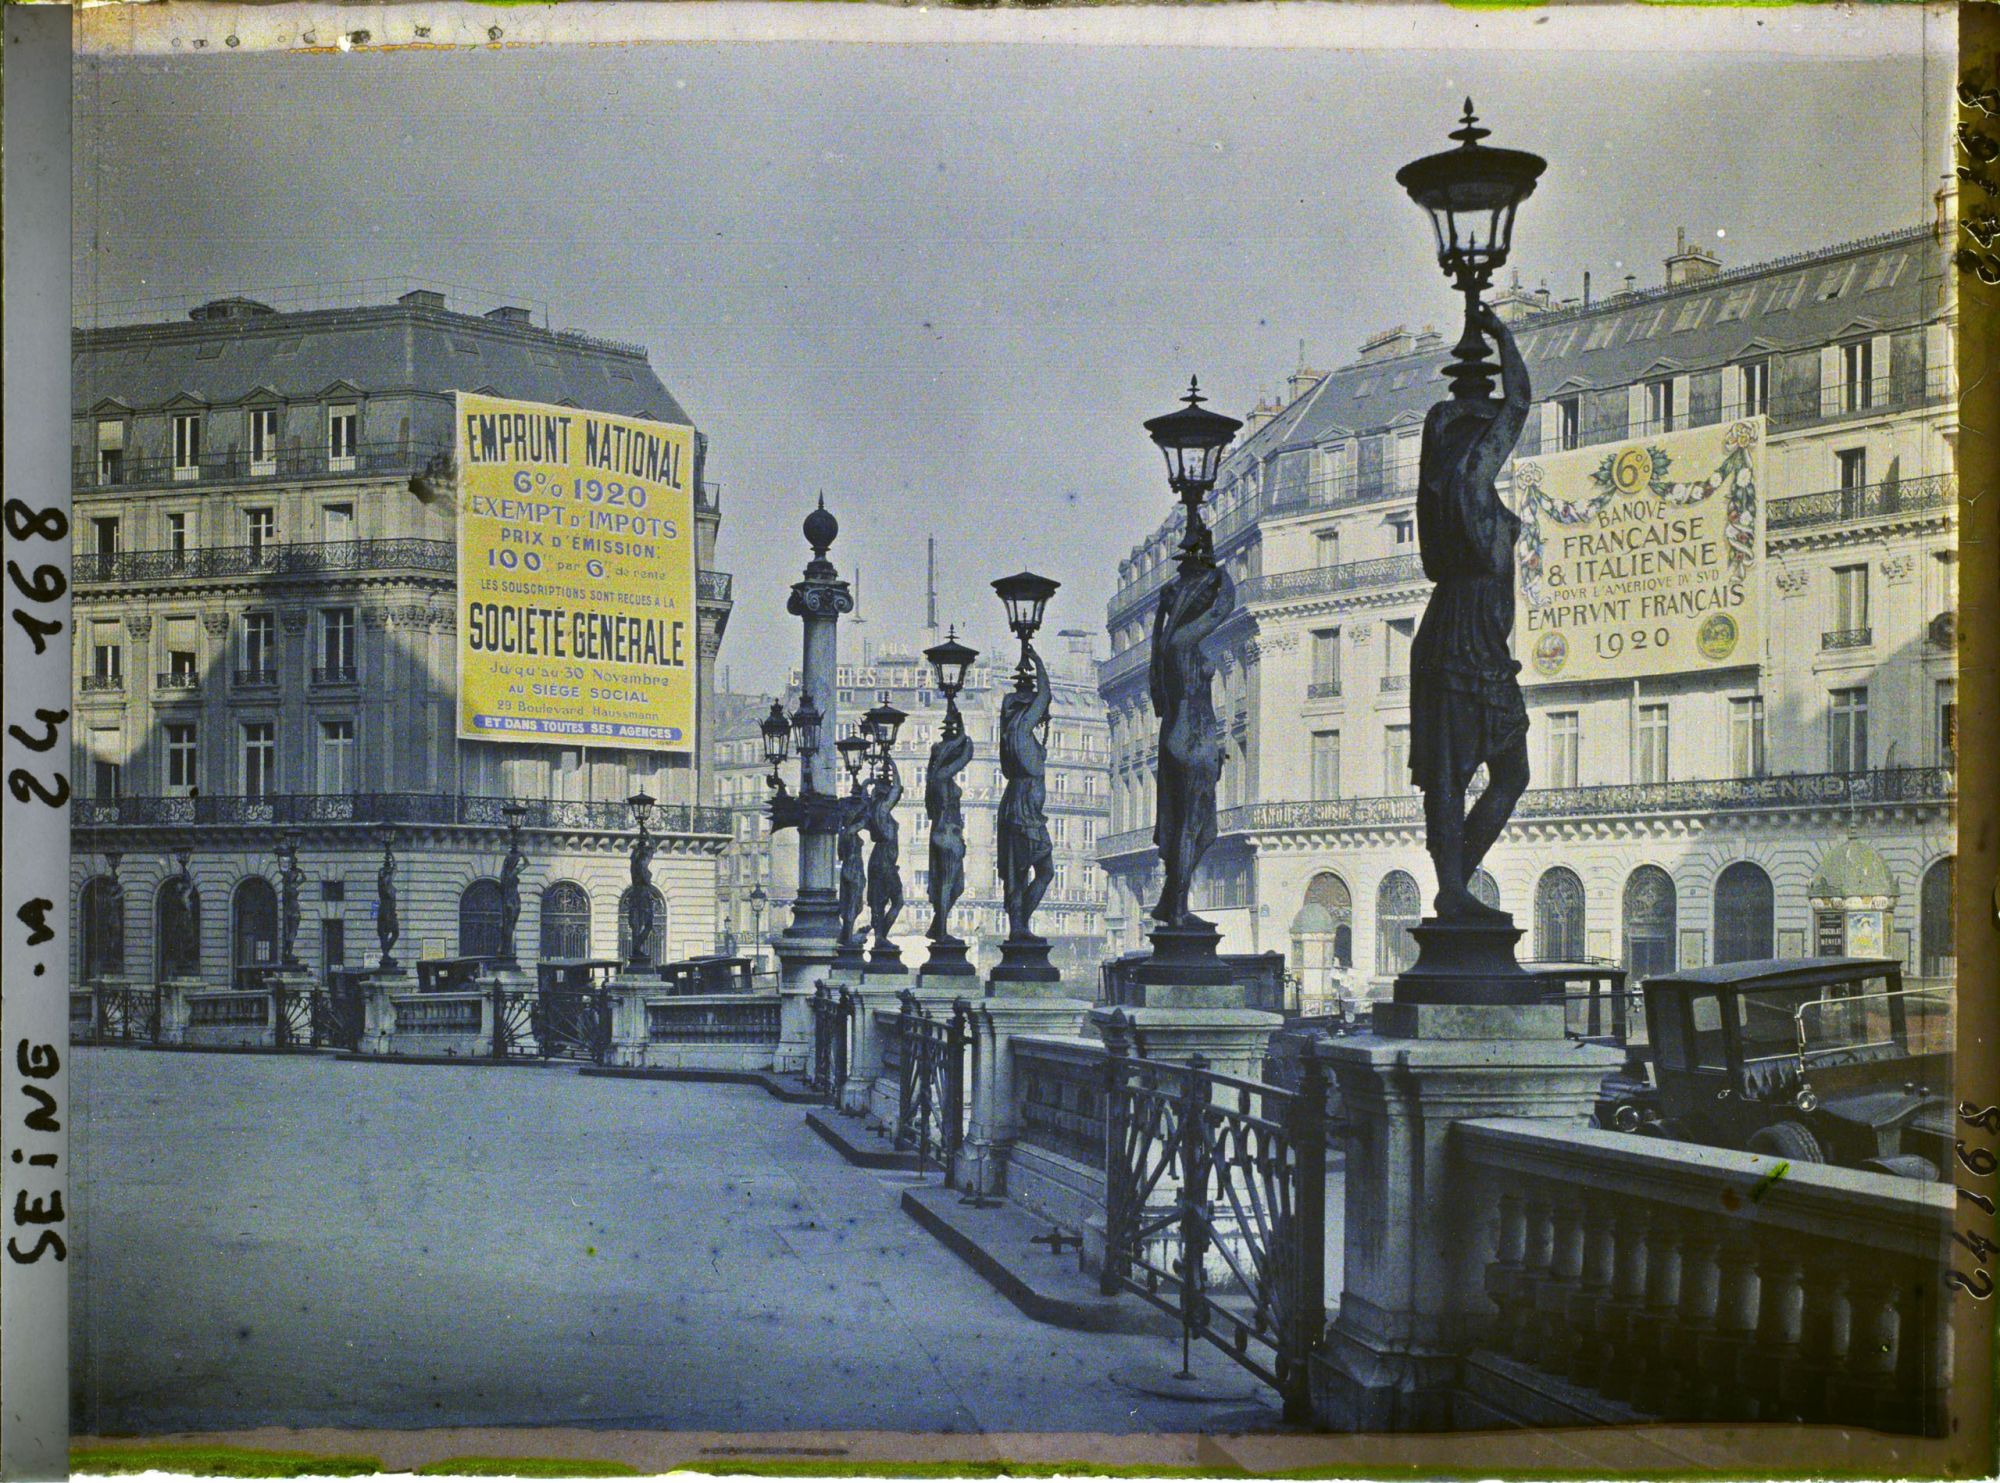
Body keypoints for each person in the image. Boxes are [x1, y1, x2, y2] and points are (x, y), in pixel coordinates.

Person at [1410, 302, 1532, 921]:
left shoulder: (1449, 493)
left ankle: (1454, 885)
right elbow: (1519, 404)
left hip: (1461, 630)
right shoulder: (1474, 491)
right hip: (1468, 637)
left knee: (1471, 775)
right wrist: (1503, 335)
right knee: (1484, 774)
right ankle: (1454, 889)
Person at [1150, 538, 1233, 927]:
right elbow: (1222, 608)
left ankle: (1171, 901)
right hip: (1190, 737)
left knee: (1205, 830)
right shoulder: (1181, 641)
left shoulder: (1178, 644)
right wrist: (1222, 571)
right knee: (1192, 826)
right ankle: (1179, 909)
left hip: (1191, 737)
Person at [997, 647, 1055, 939]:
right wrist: (1038, 661)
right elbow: (1045, 695)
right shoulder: (1020, 730)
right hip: (1024, 811)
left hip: (1019, 807)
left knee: (1020, 873)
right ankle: (1019, 927)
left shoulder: (1013, 734)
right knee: (1041, 871)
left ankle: (1019, 926)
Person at [925, 725, 973, 941]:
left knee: (957, 886)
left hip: (948, 835)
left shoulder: (938, 778)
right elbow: (967, 754)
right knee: (947, 883)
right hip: (947, 834)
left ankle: (937, 926)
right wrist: (963, 734)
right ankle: (941, 931)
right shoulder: (941, 776)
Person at [865, 764, 905, 949]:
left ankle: (880, 937)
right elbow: (897, 789)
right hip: (883, 861)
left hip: (881, 860)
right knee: (896, 901)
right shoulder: (881, 810)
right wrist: (894, 767)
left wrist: (866, 784)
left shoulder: (876, 812)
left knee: (881, 902)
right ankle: (880, 938)